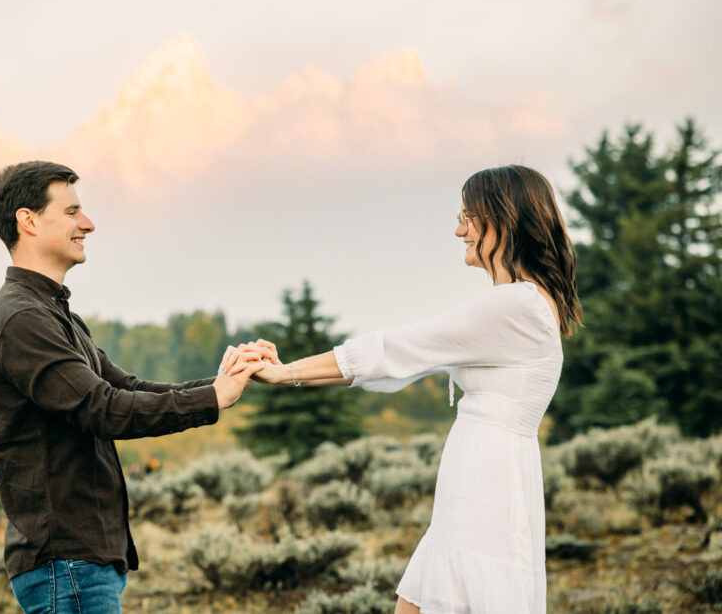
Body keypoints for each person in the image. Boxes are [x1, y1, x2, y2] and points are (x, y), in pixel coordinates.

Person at [229, 165, 581, 614]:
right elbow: (402, 362)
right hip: (479, 478)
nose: (458, 230)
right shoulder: (525, 304)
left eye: (468, 217)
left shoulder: (517, 306)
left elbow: (398, 348)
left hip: (488, 486)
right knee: (413, 603)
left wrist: (286, 373)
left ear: (504, 220)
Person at [0, 160, 261, 614]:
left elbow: (129, 387)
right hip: (65, 565)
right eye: (72, 212)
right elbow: (103, 409)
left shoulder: (55, 315)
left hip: (82, 564)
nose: (87, 224)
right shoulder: (21, 320)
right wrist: (211, 399)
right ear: (28, 221)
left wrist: (225, 380)